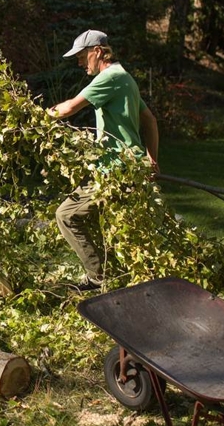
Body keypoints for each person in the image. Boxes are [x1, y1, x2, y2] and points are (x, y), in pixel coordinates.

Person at [48, 29, 159, 290]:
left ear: (97, 52)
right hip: (129, 166)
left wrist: (32, 116)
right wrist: (152, 159)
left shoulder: (109, 77)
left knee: (66, 215)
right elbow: (150, 120)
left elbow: (69, 108)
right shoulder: (125, 78)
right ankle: (123, 279)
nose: (79, 63)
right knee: (118, 228)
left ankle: (99, 278)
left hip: (117, 167)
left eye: (82, 56)